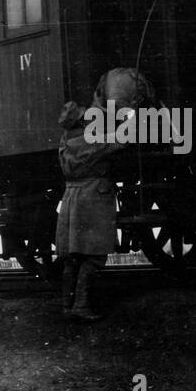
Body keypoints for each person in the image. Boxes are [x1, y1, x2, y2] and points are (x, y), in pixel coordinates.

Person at [55, 69, 147, 321]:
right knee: (94, 255)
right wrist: (133, 115)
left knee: (72, 257)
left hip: (71, 198)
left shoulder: (66, 140)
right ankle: (82, 306)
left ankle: (67, 306)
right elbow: (121, 139)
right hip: (92, 198)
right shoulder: (92, 138)